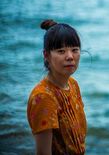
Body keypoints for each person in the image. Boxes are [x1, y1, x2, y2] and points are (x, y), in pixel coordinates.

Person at [27, 19, 87, 155]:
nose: (70, 56)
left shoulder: (73, 84)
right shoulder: (43, 97)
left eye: (75, 50)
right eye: (61, 51)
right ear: (46, 55)